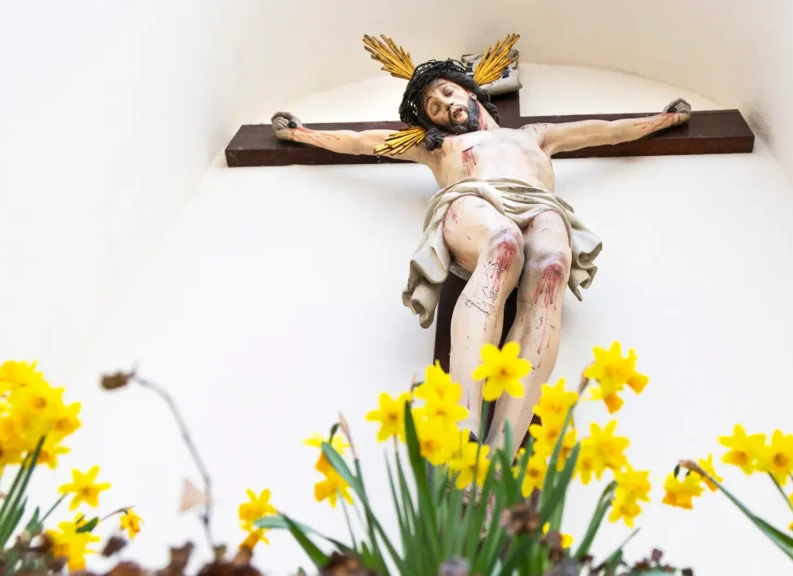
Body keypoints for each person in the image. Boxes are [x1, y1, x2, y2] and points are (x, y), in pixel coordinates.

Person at [271, 35, 691, 452]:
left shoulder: (535, 135)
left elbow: (606, 132)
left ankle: (501, 446)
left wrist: (662, 120)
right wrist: (301, 133)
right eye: (434, 109)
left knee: (551, 269)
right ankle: (465, 423)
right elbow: (362, 142)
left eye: (447, 93)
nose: (445, 106)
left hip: (539, 204)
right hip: (473, 200)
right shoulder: (440, 148)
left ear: (469, 91)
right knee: (504, 244)